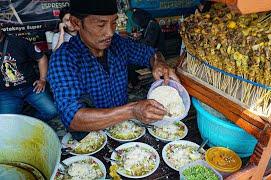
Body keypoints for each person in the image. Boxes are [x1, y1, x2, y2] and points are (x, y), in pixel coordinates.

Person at [48, 0, 180, 132]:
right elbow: (73, 118)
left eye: (113, 23)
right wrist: (132, 110)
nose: (110, 32)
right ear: (76, 22)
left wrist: (159, 62)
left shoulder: (118, 44)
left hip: (124, 128)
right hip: (91, 138)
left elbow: (150, 53)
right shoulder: (63, 59)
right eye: (101, 25)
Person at [0, 30, 58, 121]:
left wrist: (42, 79)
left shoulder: (18, 42)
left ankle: (29, 122)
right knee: (5, 122)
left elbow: (42, 58)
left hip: (31, 87)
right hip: (6, 93)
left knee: (52, 111)